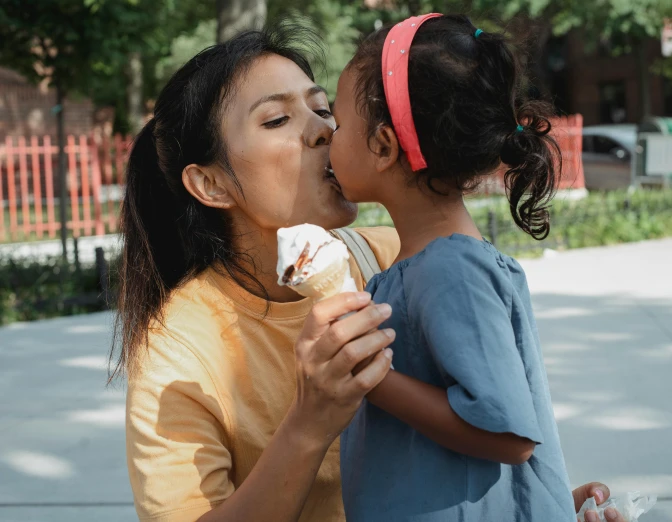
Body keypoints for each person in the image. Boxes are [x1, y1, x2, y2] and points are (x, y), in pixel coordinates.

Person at [115, 24, 626, 522]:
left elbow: (495, 431)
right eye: (276, 120)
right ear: (211, 184)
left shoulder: (394, 260)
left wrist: (544, 503)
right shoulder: (177, 350)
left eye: (323, 109)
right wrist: (309, 423)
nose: (322, 130)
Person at [329, 14, 582, 521]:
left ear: (382, 146)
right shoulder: (421, 264)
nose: (325, 140)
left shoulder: (450, 268)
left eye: (337, 125)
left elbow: (508, 434)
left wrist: (371, 377)